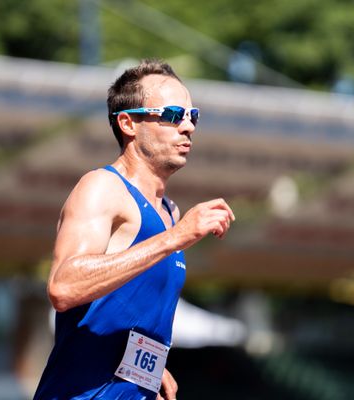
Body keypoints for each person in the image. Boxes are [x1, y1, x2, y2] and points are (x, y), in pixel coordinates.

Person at [34, 59, 235, 400]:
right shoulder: (102, 188)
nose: (187, 127)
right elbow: (63, 286)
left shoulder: (170, 212)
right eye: (173, 115)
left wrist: (148, 371)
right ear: (128, 123)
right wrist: (174, 239)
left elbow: (123, 313)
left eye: (193, 116)